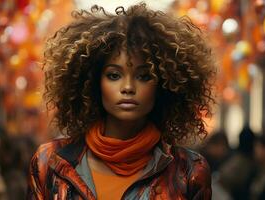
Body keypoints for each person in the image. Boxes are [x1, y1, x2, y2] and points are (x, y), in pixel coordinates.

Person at [27, 3, 216, 200]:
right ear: (93, 82)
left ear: (164, 85)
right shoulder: (50, 162)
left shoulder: (189, 171)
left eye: (144, 76)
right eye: (114, 75)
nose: (128, 87)